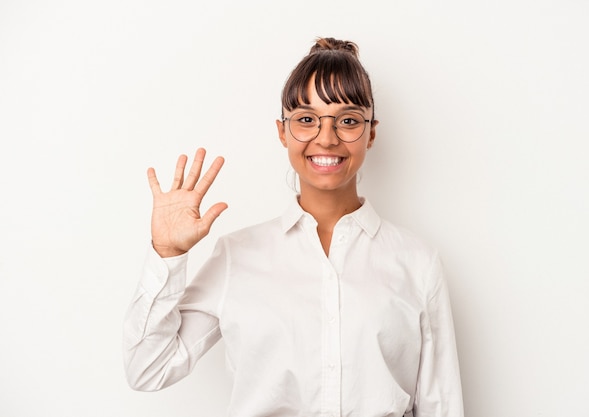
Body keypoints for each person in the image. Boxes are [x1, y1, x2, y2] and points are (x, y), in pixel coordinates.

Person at [123, 37, 464, 417]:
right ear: (283, 131)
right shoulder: (238, 256)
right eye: (306, 120)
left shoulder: (417, 262)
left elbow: (441, 405)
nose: (327, 137)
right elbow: (147, 368)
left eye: (348, 120)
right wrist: (167, 255)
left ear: (371, 132)